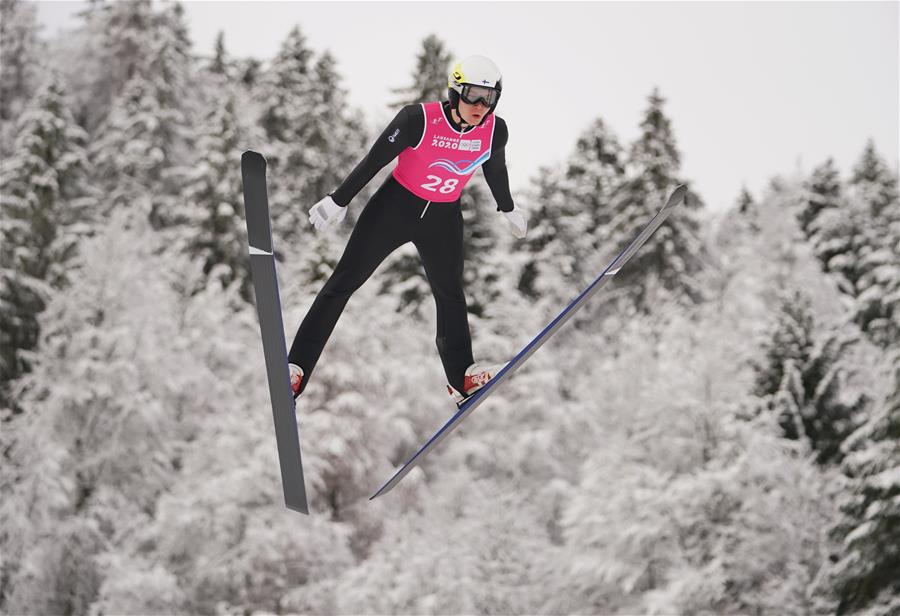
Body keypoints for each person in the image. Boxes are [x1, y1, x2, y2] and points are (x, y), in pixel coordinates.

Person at [287, 55, 528, 408]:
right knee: (344, 281)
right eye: (473, 95)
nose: (480, 106)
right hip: (395, 208)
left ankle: (461, 377)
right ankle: (296, 369)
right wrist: (339, 200)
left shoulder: (495, 131)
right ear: (455, 91)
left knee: (450, 294)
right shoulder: (418, 120)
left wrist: (507, 206)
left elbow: (495, 169)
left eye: (488, 99)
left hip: (443, 217)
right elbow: (375, 159)